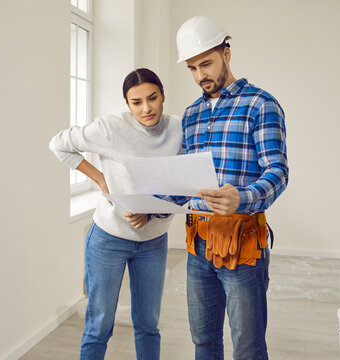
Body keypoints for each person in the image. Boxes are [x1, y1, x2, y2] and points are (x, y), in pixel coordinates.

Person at [168, 15, 289, 360]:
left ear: (227, 53)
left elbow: (278, 171)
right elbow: (184, 184)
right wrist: (151, 204)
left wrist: (243, 198)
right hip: (198, 245)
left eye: (206, 63)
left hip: (243, 245)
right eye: (192, 68)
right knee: (204, 342)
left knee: (248, 349)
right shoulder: (191, 114)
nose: (200, 75)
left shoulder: (259, 105)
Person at [49, 68, 182, 360]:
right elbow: (58, 144)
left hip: (154, 242)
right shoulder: (110, 128)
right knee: (99, 324)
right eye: (136, 102)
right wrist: (99, 178)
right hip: (108, 239)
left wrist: (152, 212)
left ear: (163, 96)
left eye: (152, 98)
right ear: (127, 103)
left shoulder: (179, 130)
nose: (146, 108)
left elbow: (182, 182)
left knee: (148, 325)